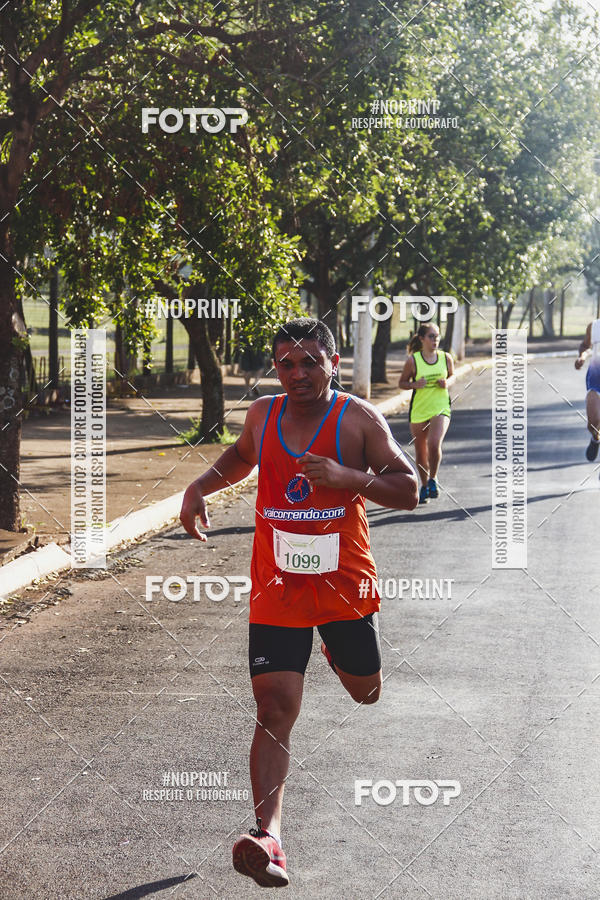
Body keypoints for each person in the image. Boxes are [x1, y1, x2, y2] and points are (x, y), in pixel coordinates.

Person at [180, 317, 418, 888]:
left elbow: (408, 489)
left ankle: (341, 657)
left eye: (310, 361)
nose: (297, 372)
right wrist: (197, 487)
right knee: (274, 709)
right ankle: (270, 839)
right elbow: (240, 457)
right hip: (278, 586)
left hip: (343, 585)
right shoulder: (264, 415)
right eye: (285, 363)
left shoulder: (356, 419)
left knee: (366, 691)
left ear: (332, 364)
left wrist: (345, 475)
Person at [397, 322, 455, 504]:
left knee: (434, 442)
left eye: (437, 336)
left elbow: (453, 375)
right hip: (419, 408)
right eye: (431, 336)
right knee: (420, 451)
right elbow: (402, 383)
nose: (435, 340)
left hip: (440, 406)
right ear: (422, 339)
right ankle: (424, 484)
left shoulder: (445, 358)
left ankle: (433, 479)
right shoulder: (413, 360)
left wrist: (448, 382)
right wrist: (415, 384)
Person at [574, 318, 600, 461]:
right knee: (592, 423)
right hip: (596, 379)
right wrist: (582, 357)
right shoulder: (594, 326)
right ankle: (596, 439)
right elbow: (585, 345)